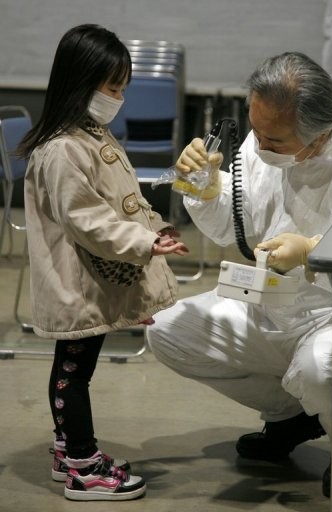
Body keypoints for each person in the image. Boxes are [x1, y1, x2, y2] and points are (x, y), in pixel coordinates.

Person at [146, 51, 332, 498]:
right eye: (254, 133)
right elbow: (227, 225)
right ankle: (290, 418)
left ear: (320, 137)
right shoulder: (268, 139)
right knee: (166, 331)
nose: (259, 149)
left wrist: (316, 254)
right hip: (273, 303)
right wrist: (203, 185)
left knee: (325, 368)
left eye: (272, 141)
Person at [17, 24, 188, 502]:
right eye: (112, 87)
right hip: (77, 281)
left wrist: (154, 230)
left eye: (123, 88)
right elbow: (88, 220)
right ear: (80, 81)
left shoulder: (90, 135)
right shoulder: (63, 148)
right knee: (74, 370)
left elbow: (121, 200)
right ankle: (82, 466)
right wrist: (144, 243)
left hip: (93, 274)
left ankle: (67, 449)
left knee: (75, 366)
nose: (118, 97)